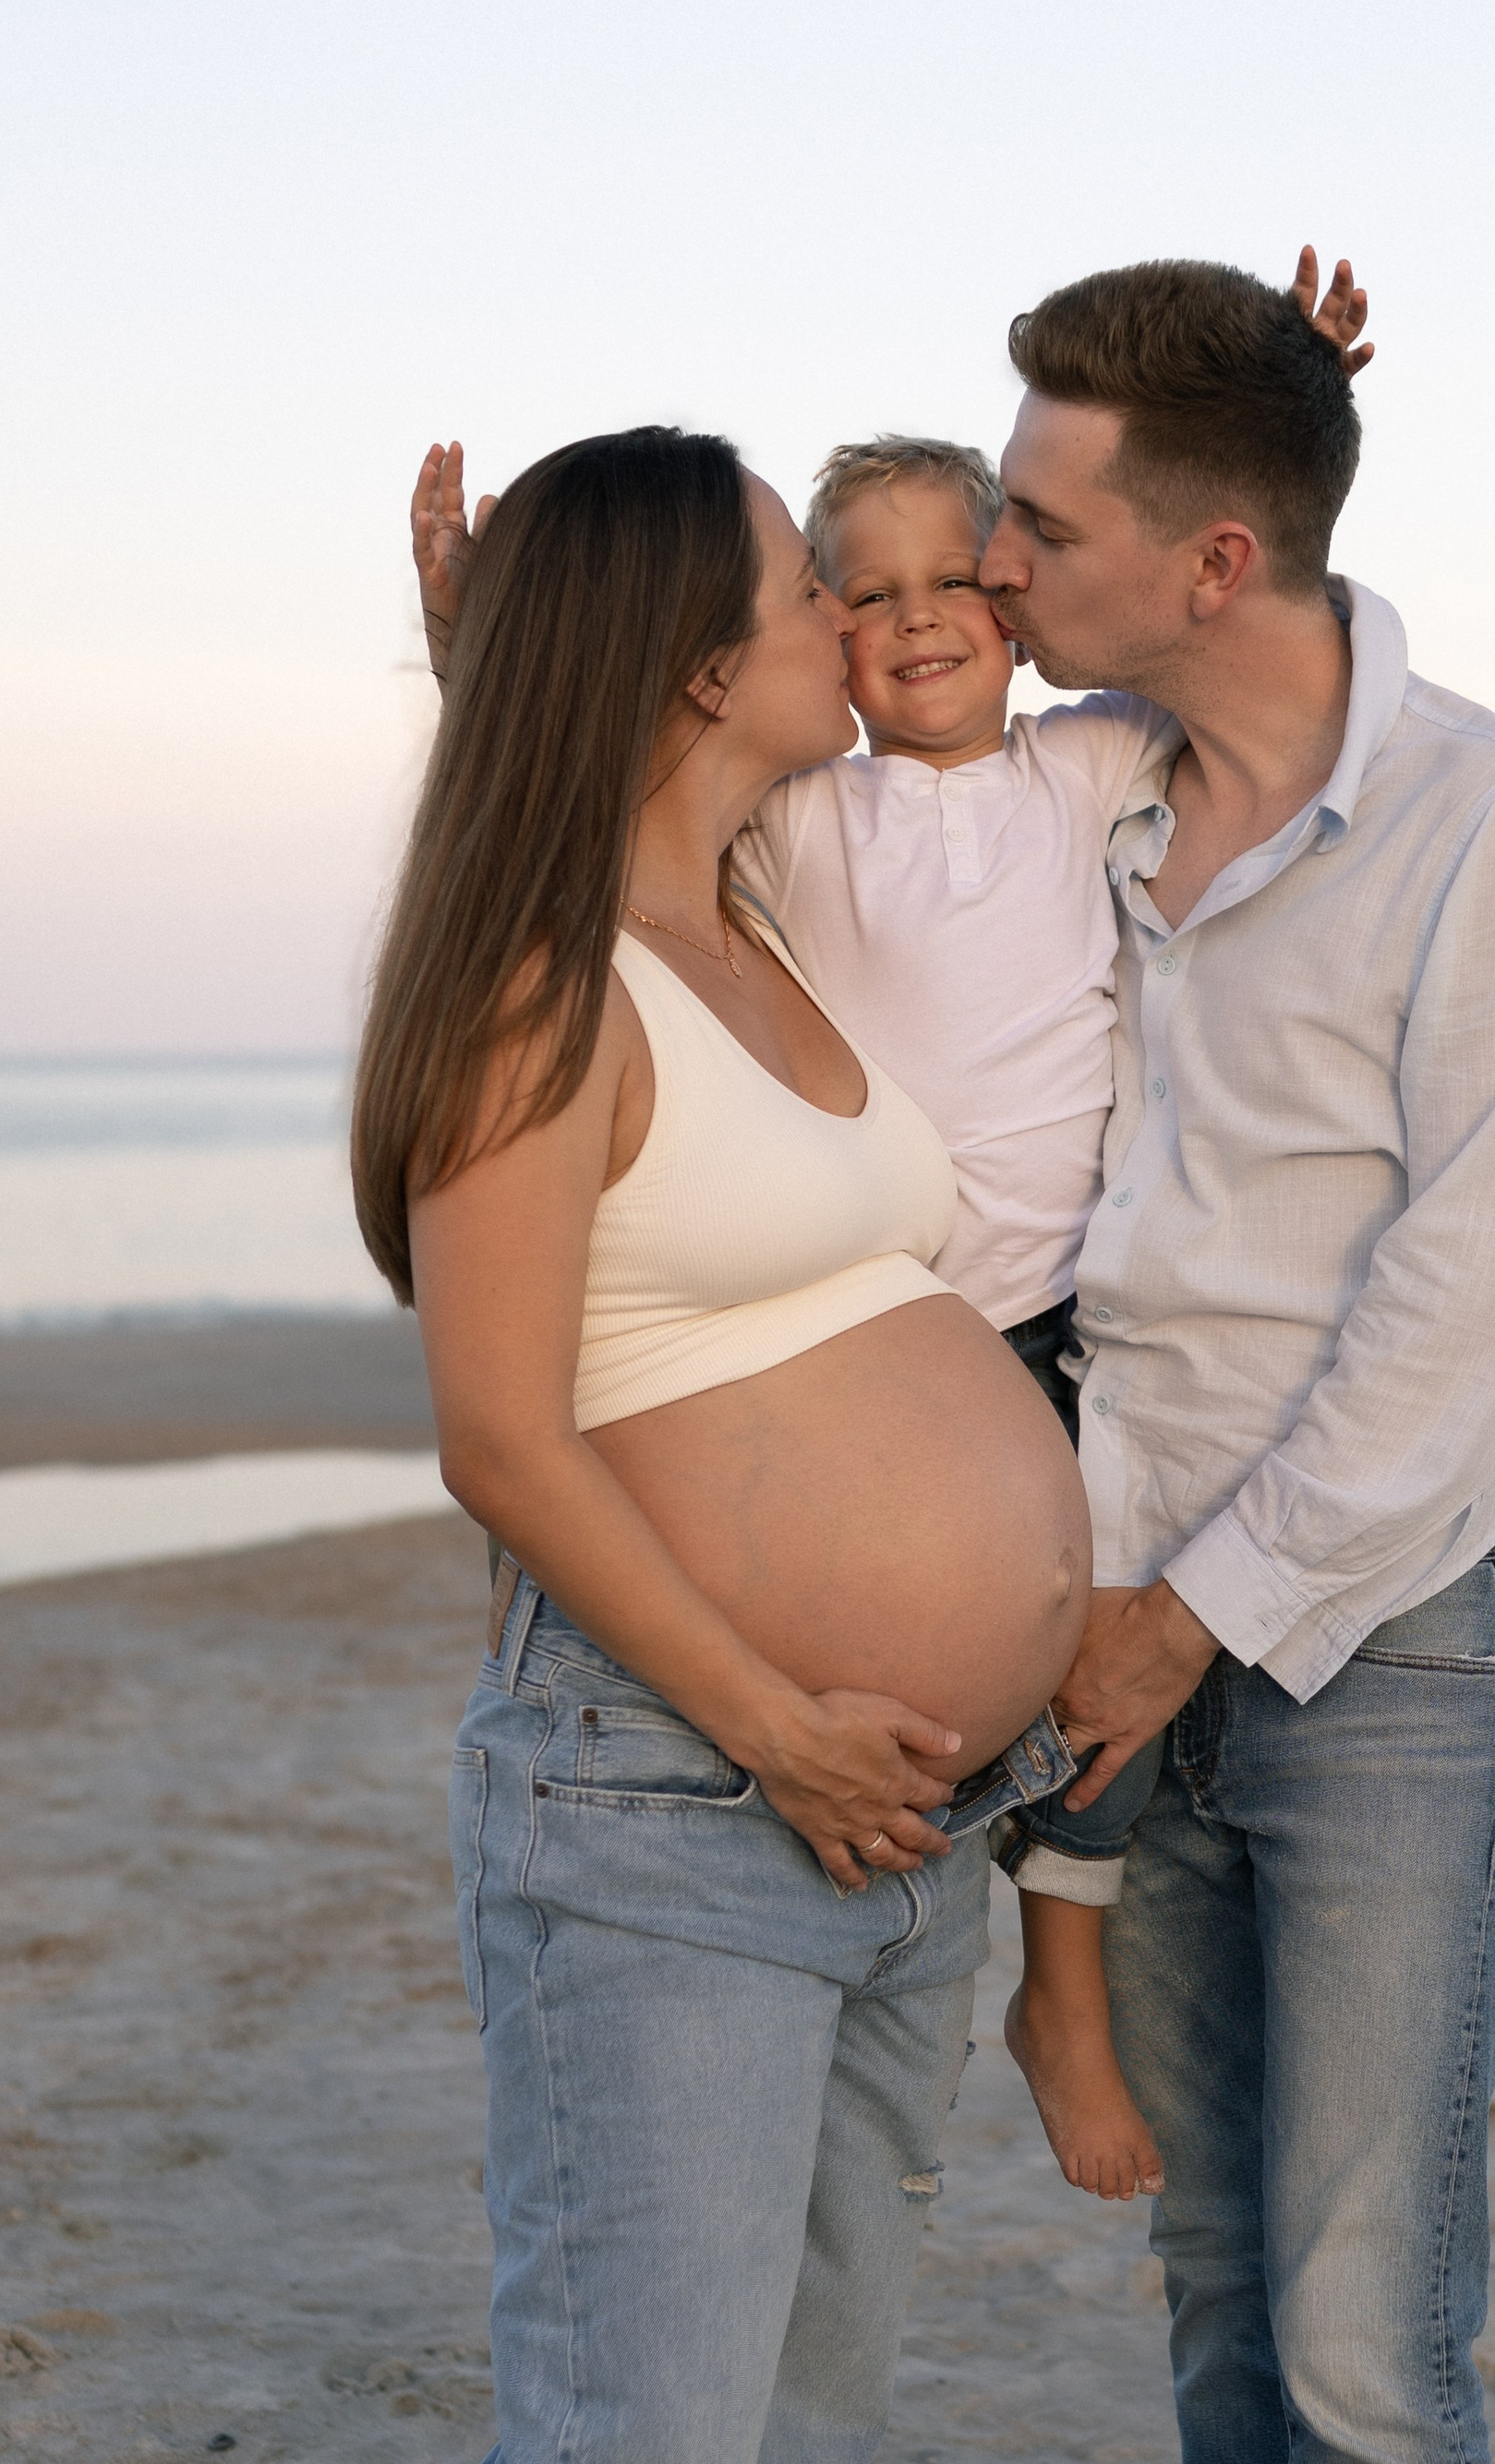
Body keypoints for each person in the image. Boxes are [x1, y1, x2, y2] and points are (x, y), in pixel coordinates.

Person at [308, 426, 1094, 2464]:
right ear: (687, 657)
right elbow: (504, 1432)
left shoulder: (744, 919)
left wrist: (476, 662)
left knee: (765, 2461)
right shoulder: (542, 980)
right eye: (791, 587)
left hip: (905, 1823)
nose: (847, 625)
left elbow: (599, 777)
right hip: (682, 1807)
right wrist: (772, 1715)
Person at [406, 255, 1375, 2219]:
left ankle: (1066, 1980)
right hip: (737, 1724)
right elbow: (582, 805)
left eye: (959, 581)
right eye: (825, 592)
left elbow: (1203, 627)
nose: (904, 618)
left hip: (1039, 1394)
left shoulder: (1080, 766)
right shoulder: (776, 845)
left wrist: (1264, 416)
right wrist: (485, 663)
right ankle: (1056, 1984)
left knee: (1114, 1674)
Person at [977, 260, 1495, 2464]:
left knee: (1370, 2353)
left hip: (1367, 1660)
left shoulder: (1490, 821)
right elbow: (871, 695)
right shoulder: (1093, 781)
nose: (998, 550)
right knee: (1224, 2304)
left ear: (1212, 557)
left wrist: (1191, 1615)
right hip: (1113, 1629)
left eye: (1047, 515)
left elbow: (1464, 1315)